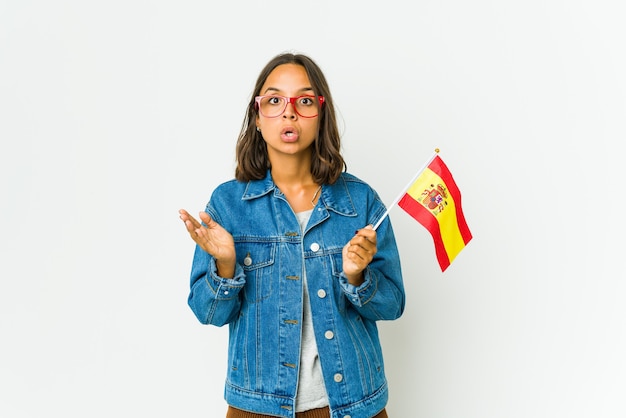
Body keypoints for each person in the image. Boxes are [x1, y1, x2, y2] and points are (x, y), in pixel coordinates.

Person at [179, 52, 405, 418]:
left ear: (321, 114)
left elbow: (393, 305)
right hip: (256, 407)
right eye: (273, 100)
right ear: (257, 118)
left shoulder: (360, 202)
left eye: (303, 101)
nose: (289, 112)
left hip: (352, 405)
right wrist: (225, 265)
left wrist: (358, 276)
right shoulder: (228, 204)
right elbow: (209, 313)